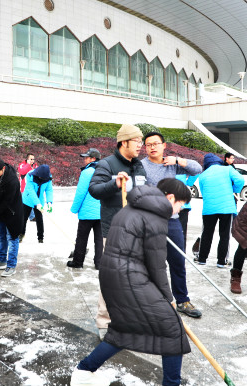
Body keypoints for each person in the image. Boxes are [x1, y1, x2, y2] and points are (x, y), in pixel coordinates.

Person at [70, 178, 192, 386]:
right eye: (180, 205)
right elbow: (156, 264)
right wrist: (168, 297)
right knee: (172, 330)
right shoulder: (155, 215)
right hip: (128, 277)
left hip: (115, 275)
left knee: (125, 329)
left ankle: (84, 372)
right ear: (170, 198)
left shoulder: (134, 206)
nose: (178, 211)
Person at [88, 124, 147, 335]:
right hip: (113, 231)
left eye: (141, 141)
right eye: (137, 141)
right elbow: (94, 190)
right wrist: (115, 184)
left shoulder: (139, 166)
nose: (141, 145)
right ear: (124, 142)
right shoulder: (106, 164)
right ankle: (105, 320)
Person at [140, 131, 203, 318]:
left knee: (177, 260)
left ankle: (182, 300)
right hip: (150, 220)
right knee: (152, 262)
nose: (152, 147)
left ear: (163, 145)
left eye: (156, 143)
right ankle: (153, 301)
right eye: (148, 144)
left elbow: (197, 169)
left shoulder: (171, 164)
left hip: (172, 220)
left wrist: (178, 161)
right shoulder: (141, 166)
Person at [196, 153, 244, 268]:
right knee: (224, 235)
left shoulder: (203, 175)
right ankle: (221, 261)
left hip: (209, 209)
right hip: (226, 208)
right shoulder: (227, 169)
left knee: (207, 233)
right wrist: (234, 190)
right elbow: (240, 180)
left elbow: (203, 192)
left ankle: (202, 258)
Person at [0, 157, 24, 277]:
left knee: (12, 238)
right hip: (0, 210)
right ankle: (1, 260)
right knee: (1, 236)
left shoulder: (12, 180)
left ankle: (11, 265)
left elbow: (7, 201)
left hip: (13, 212)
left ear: (3, 169)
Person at [68, 148, 102, 269]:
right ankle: (99, 263)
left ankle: (78, 262)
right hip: (102, 211)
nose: (84, 160)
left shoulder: (87, 172)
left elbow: (80, 193)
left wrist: (74, 209)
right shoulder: (105, 171)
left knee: (82, 238)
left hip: (87, 212)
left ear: (93, 159)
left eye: (87, 157)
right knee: (99, 239)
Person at [21, 164, 53, 243]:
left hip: (39, 200)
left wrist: (49, 202)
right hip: (27, 199)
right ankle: (20, 235)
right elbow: (30, 190)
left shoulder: (48, 177)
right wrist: (37, 204)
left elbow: (49, 190)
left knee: (39, 219)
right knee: (23, 218)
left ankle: (40, 238)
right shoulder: (30, 175)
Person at [18, 153, 37, 221]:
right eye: (31, 159)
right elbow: (22, 172)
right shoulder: (22, 165)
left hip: (33, 187)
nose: (32, 160)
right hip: (24, 187)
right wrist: (28, 165)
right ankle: (31, 216)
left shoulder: (35, 166)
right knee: (25, 201)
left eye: (33, 159)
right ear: (27, 159)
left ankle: (32, 216)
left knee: (31, 200)